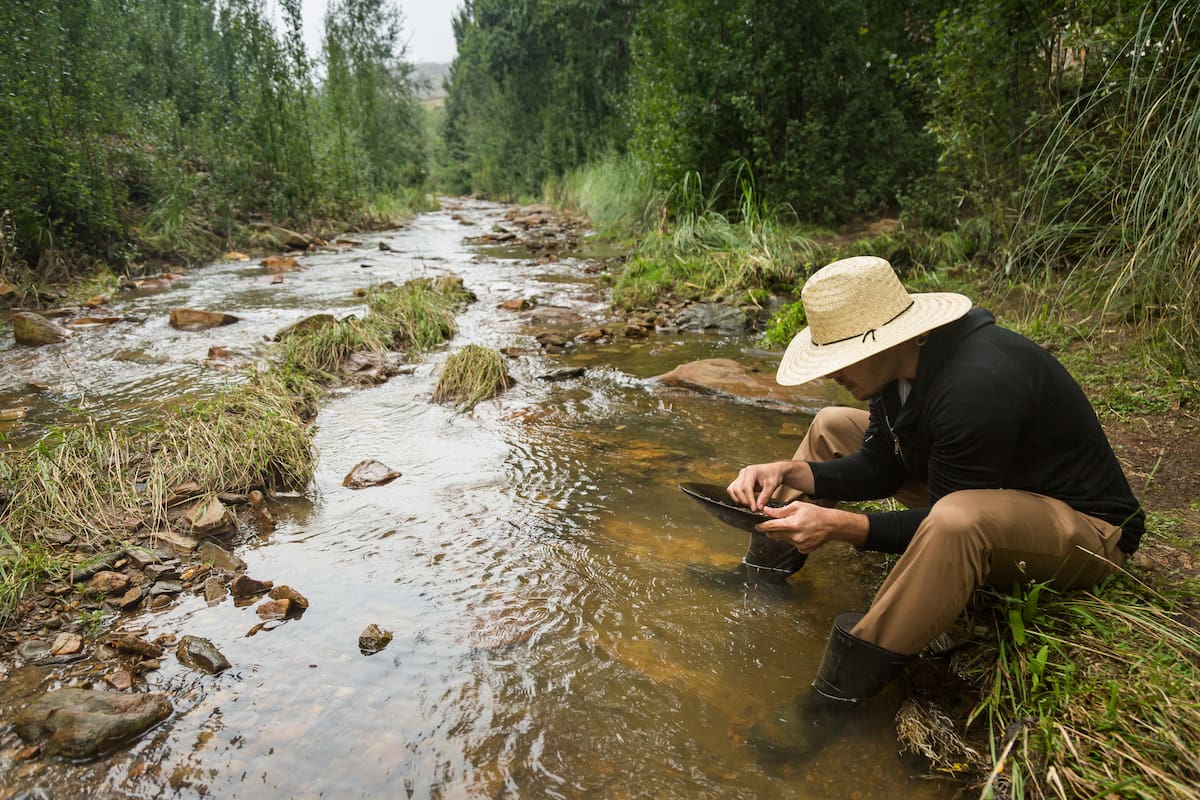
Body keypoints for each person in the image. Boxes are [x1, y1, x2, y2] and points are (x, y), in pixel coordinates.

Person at [720, 255, 1144, 757]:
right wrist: (788, 472)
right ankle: (763, 573)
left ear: (884, 340)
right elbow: (881, 467)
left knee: (955, 522)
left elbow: (945, 521)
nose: (830, 373)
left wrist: (842, 526)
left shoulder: (977, 382)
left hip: (1086, 530)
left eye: (838, 358)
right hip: (995, 490)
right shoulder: (902, 371)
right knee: (833, 424)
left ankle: (833, 698)